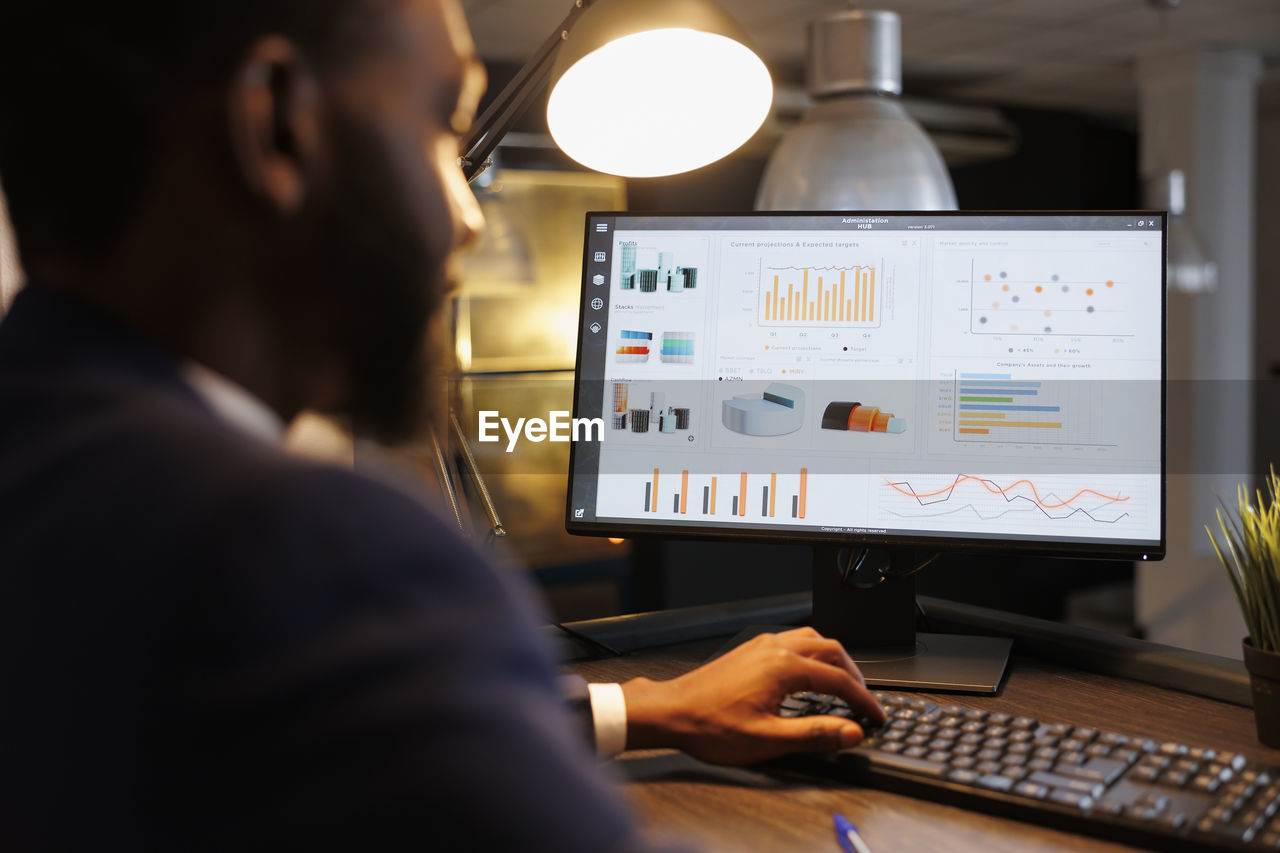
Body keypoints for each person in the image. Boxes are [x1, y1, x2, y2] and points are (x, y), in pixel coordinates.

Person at [0, 1, 884, 849]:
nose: (465, 216)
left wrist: (641, 708)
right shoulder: (305, 553)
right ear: (276, 126)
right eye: (438, 123)